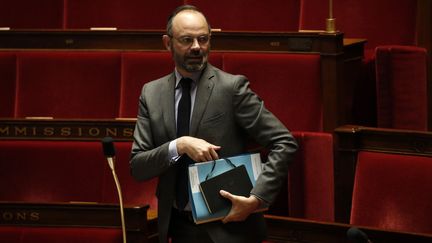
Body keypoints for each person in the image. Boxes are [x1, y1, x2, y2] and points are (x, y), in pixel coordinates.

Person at [130, 5, 298, 243]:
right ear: (167, 43)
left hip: (228, 228)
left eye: (203, 39)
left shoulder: (231, 88)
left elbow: (284, 142)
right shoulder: (151, 93)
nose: (197, 47)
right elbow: (138, 166)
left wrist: (257, 199)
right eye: (187, 40)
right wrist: (179, 145)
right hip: (177, 227)